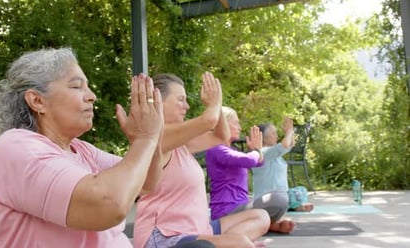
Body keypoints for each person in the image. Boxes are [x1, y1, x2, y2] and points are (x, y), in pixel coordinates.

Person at [0, 47, 167, 247]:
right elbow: (108, 205)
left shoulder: (80, 149)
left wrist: (150, 137)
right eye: (77, 87)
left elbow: (147, 182)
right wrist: (145, 138)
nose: (91, 96)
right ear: (37, 101)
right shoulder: (14, 148)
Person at [133, 73, 269, 248]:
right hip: (164, 237)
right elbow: (208, 120)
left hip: (197, 230)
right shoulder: (156, 136)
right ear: (158, 100)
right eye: (181, 100)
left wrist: (216, 106)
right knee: (239, 242)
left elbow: (222, 135)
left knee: (260, 217)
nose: (187, 106)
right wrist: (214, 101)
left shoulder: (182, 141)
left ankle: (230, 244)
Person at [205, 106, 295, 233]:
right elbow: (250, 160)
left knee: (281, 202)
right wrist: (256, 151)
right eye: (236, 123)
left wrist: (255, 152)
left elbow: (257, 162)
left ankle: (266, 225)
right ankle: (239, 232)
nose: (240, 128)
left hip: (240, 209)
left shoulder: (231, 150)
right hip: (226, 213)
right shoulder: (216, 150)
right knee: (278, 199)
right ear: (222, 124)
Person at [252, 117, 314, 212]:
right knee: (294, 194)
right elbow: (284, 145)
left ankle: (293, 205)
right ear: (264, 139)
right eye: (273, 133)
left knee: (302, 189)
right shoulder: (262, 153)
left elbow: (290, 145)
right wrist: (289, 132)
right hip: (268, 198)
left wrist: (291, 131)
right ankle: (295, 205)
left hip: (280, 196)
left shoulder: (274, 154)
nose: (277, 136)